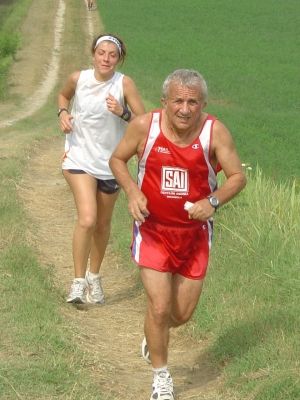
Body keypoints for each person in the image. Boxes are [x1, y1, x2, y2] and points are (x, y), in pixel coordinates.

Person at [109, 69, 246, 400]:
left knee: (179, 314)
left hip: (194, 235)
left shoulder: (215, 132)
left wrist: (212, 201)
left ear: (203, 104)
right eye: (178, 101)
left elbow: (237, 177)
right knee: (159, 307)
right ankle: (161, 377)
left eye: (193, 102)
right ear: (164, 102)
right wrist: (131, 192)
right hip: (153, 230)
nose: (185, 109)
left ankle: (154, 335)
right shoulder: (145, 126)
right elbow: (117, 159)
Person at [58, 33, 145, 304]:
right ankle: (77, 282)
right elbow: (63, 96)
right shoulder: (78, 78)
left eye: (112, 55)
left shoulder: (124, 84)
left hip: (111, 164)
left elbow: (143, 122)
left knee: (102, 224)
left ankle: (94, 277)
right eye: (101, 53)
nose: (106, 59)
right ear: (93, 54)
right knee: (87, 218)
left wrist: (123, 112)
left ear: (119, 59)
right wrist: (62, 113)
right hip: (79, 158)